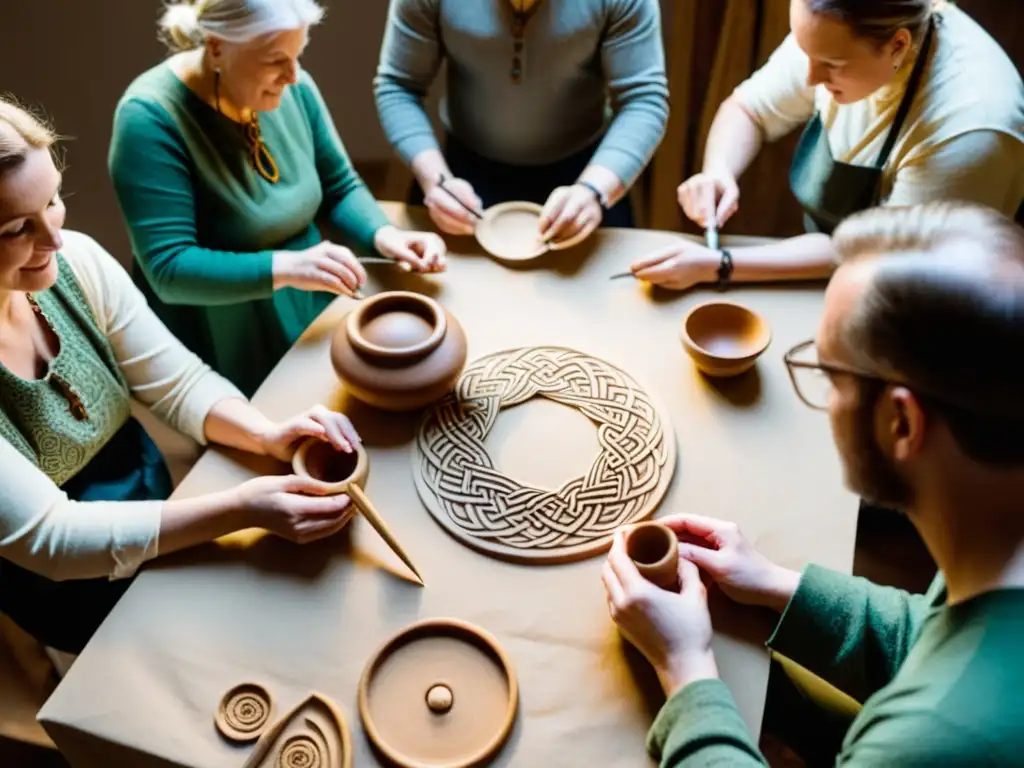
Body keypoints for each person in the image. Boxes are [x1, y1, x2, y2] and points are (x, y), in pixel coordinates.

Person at [604, 201, 1024, 765]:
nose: (824, 400)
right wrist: (777, 584)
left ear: (900, 423)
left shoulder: (926, 741)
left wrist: (685, 668)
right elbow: (937, 636)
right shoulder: (998, 553)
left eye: (829, 375)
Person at [0, 98, 366, 655]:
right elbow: (54, 540)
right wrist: (242, 508)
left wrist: (263, 432)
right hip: (64, 583)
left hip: (153, 501)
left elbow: (177, 381)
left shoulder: (79, 261)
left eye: (53, 201)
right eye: (14, 229)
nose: (53, 239)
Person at [109, 0, 446, 396]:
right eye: (275, 60)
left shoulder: (294, 84)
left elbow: (339, 184)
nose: (292, 75)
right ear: (217, 48)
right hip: (226, 328)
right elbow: (169, 268)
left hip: (304, 292)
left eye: (297, 55)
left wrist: (385, 236)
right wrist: (288, 267)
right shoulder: (148, 118)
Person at [630, 0, 1024, 291]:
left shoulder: (969, 129)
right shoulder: (833, 26)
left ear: (897, 47)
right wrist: (718, 171)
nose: (809, 77)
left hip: (921, 285)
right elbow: (749, 109)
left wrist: (721, 263)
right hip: (848, 258)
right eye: (805, 53)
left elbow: (880, 253)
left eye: (831, 64)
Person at [373, 0, 668, 246]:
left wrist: (594, 190)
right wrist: (435, 179)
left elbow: (643, 100)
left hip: (587, 174)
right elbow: (399, 85)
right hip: (461, 174)